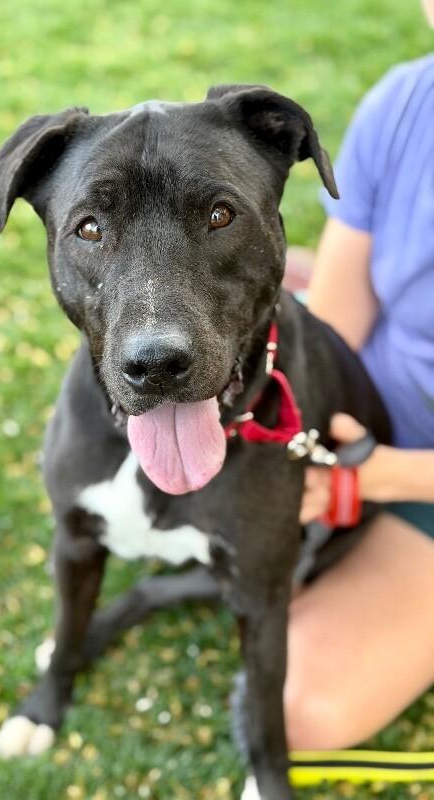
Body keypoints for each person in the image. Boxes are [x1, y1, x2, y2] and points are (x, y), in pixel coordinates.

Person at [283, 9, 434, 750]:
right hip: (372, 416)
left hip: (412, 478)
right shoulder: (407, 101)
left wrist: (375, 478)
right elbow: (336, 329)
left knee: (299, 707)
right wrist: (300, 433)